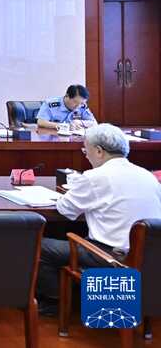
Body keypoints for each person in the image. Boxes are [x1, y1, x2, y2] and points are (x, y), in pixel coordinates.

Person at [36, 124, 161, 316]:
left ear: (99, 151)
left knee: (40, 246)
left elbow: (65, 209)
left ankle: (54, 304)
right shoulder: (148, 176)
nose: (86, 155)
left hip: (111, 258)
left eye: (86, 150)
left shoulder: (95, 177)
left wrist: (74, 191)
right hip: (150, 257)